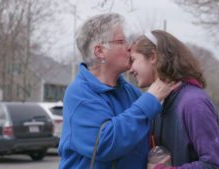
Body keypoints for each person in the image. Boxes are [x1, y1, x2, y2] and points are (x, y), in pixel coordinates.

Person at [58, 14, 180, 169]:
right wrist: (150, 99)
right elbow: (104, 145)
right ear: (100, 51)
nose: (129, 47)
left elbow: (140, 139)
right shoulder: (80, 94)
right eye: (121, 42)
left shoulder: (131, 93)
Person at [129, 30, 219, 169]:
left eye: (132, 60)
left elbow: (215, 165)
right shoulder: (160, 101)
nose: (130, 69)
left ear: (152, 57)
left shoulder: (194, 103)